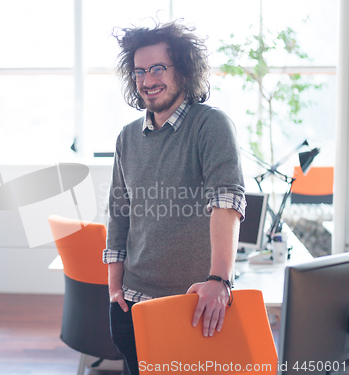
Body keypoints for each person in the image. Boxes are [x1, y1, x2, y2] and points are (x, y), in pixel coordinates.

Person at [103, 20, 246, 375]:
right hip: (132, 304)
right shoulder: (127, 137)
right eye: (139, 71)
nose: (147, 80)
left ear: (182, 70)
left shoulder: (210, 126)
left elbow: (226, 201)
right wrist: (114, 286)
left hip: (195, 304)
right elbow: (120, 212)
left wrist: (219, 280)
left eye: (157, 68)